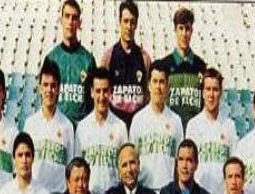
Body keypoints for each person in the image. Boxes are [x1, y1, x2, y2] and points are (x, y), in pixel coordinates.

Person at [75, 67, 128, 194]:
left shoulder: (120, 127)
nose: (101, 96)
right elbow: (77, 168)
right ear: (92, 92)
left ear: (111, 92)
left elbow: (124, 168)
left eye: (105, 91)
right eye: (98, 91)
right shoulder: (82, 127)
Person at [24, 59, 75, 194]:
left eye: (53, 86)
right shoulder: (30, 124)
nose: (49, 90)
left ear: (58, 89)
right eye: (45, 85)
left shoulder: (67, 126)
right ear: (39, 88)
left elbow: (70, 167)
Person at [129, 60, 183, 193]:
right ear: (149, 85)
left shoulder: (176, 121)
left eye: (162, 82)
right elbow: (132, 158)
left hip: (168, 192)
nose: (158, 87)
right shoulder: (138, 120)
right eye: (155, 81)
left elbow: (179, 162)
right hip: (144, 191)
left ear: (168, 87)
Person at [186, 67, 238, 194]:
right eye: (208, 89)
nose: (211, 94)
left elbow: (234, 165)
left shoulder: (229, 126)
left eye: (215, 89)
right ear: (202, 92)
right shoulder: (193, 125)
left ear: (220, 93)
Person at [44, 0, 96, 126]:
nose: (70, 22)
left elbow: (93, 101)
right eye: (67, 16)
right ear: (61, 20)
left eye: (74, 18)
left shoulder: (88, 60)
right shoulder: (51, 59)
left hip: (81, 130)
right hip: (57, 128)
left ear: (79, 23)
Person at [100, 0, 151, 128]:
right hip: (114, 126)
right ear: (120, 22)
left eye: (132, 22)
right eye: (126, 21)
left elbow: (148, 95)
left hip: (138, 125)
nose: (129, 26)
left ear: (136, 24)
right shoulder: (108, 56)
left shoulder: (145, 58)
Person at [160, 7, 206, 128]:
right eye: (181, 28)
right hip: (170, 129)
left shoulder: (200, 66)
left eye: (187, 28)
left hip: (195, 131)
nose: (184, 34)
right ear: (175, 30)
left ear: (192, 31)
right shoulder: (165, 64)